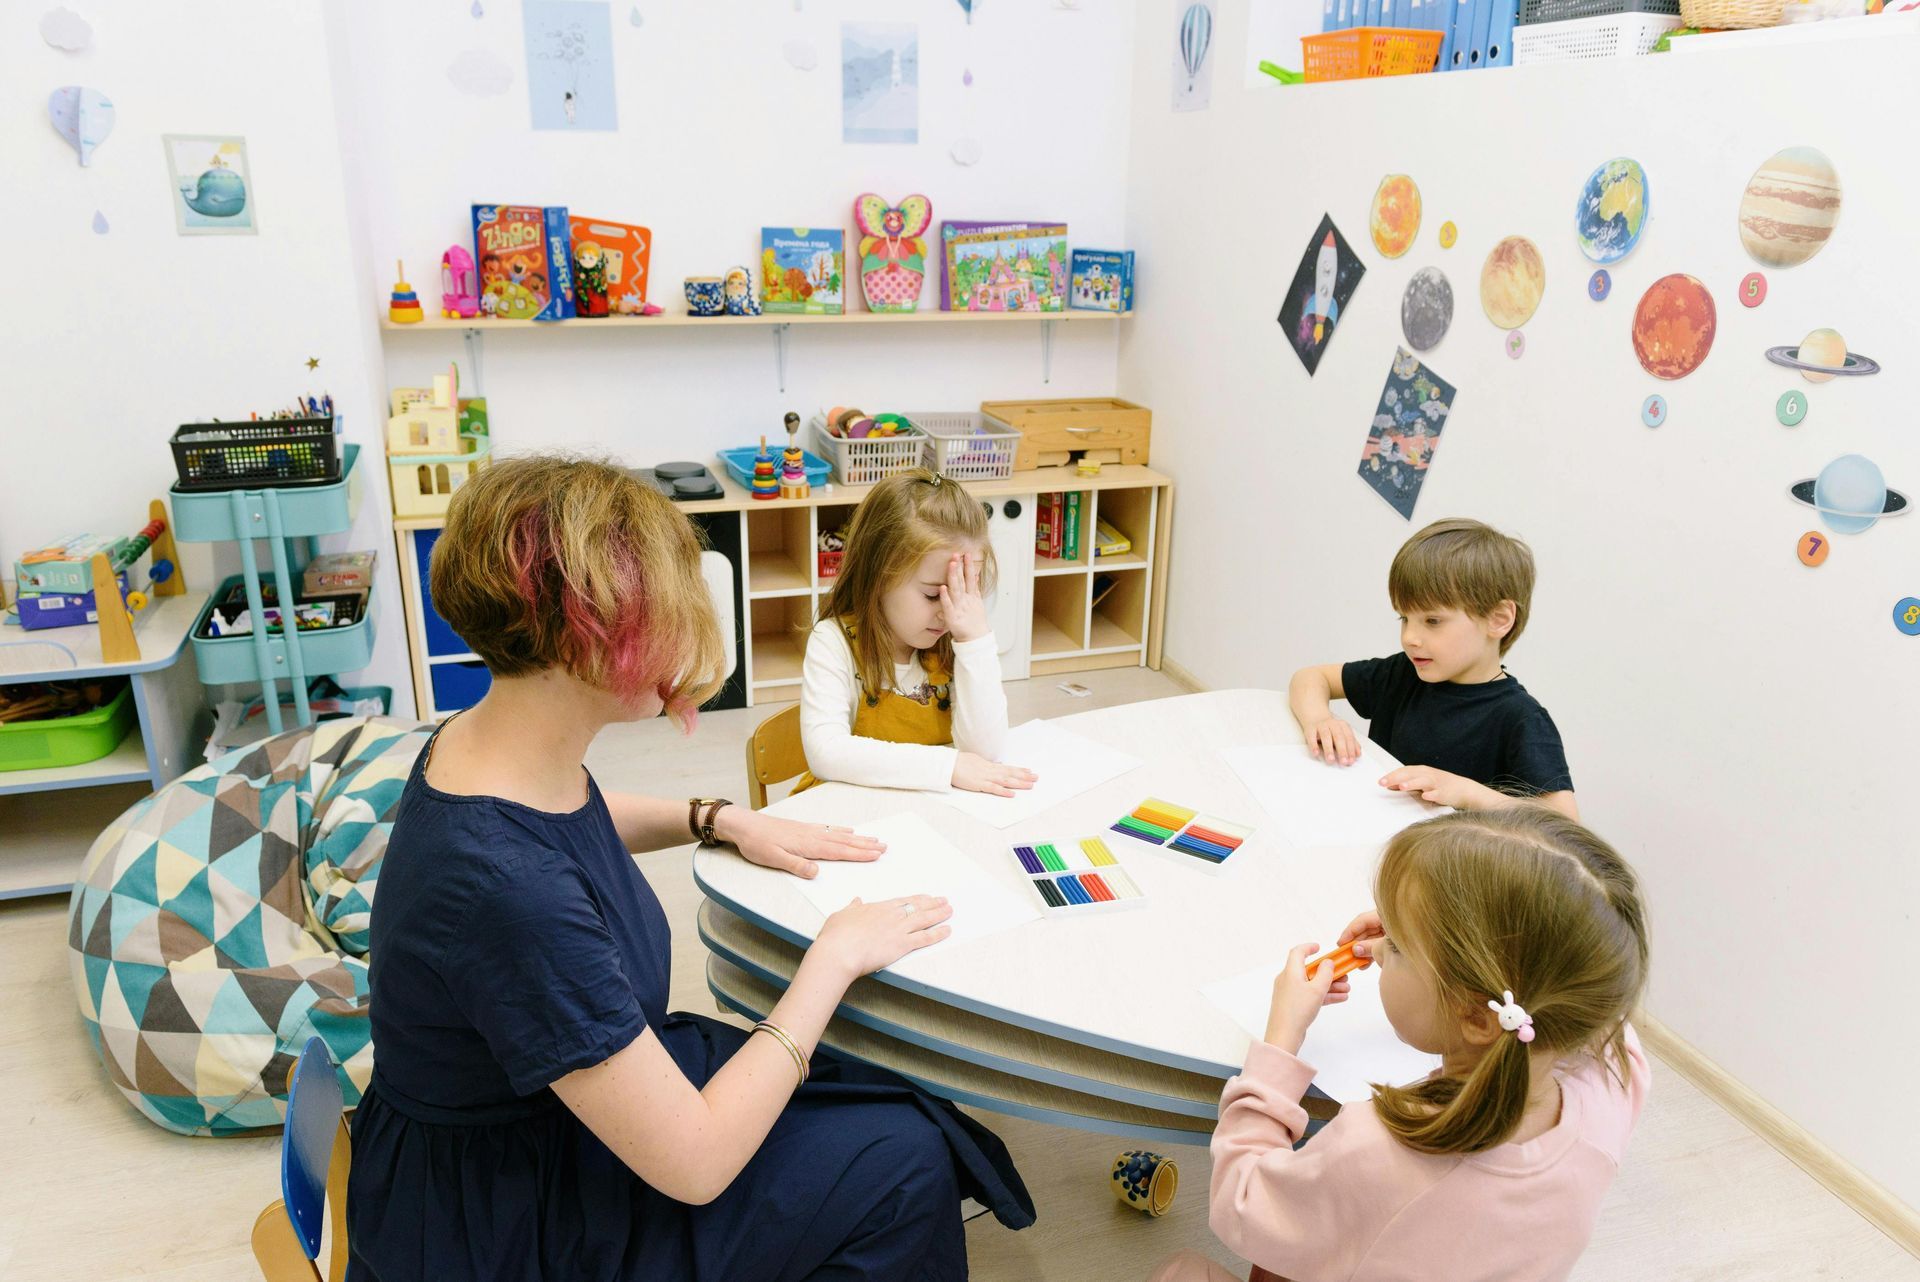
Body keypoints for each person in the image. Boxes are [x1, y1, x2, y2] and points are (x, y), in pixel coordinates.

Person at [346, 456, 1033, 1281]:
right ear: (590, 635)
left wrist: (715, 819)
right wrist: (831, 961)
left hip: (524, 1121)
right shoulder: (509, 897)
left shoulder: (490, 745)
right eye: (667, 611)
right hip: (509, 1213)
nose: (684, 634)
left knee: (870, 1093)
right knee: (902, 1161)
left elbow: (576, 815)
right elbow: (698, 1161)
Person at [1151, 807, 1651, 1282]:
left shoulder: (1379, 1149)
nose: (1384, 948)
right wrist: (1422, 930)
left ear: (1477, 1015)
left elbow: (1243, 1204)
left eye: (1400, 948)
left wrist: (1281, 1038)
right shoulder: (1615, 1074)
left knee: (1181, 1269)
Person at [1288, 517, 1578, 818]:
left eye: (1432, 621)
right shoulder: (1404, 673)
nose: (1410, 638)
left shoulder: (1521, 718)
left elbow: (1566, 824)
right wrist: (1319, 718)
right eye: (1404, 619)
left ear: (1498, 619)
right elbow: (1310, 678)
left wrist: (1467, 792)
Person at [796, 467, 1035, 797]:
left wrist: (975, 640)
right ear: (878, 576)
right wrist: (948, 766)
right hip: (848, 814)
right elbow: (827, 753)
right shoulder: (832, 642)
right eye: (933, 594)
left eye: (965, 591)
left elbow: (984, 756)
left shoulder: (957, 638)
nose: (949, 610)